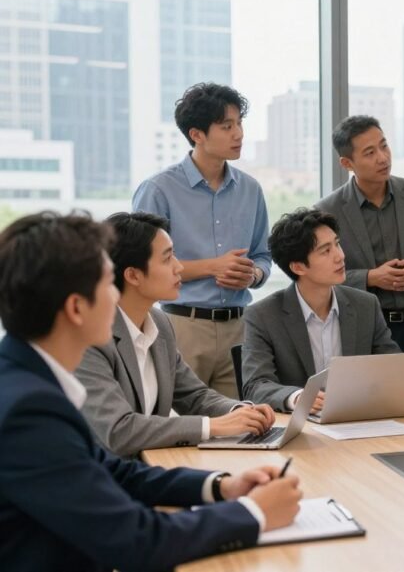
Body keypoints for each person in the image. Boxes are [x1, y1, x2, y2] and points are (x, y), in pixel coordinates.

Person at [0, 211, 301, 571]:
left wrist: (223, 486)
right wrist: (253, 513)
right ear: (76, 308)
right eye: (107, 283)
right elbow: (137, 540)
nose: (115, 296)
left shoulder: (29, 380)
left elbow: (116, 472)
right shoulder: (28, 410)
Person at [75, 212, 276, 458]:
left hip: (149, 467)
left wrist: (240, 410)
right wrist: (212, 426)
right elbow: (118, 430)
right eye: (168, 258)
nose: (179, 267)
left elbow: (193, 395)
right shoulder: (90, 339)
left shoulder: (159, 322)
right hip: (104, 479)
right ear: (133, 275)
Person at [133, 82, 272, 398]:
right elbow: (141, 266)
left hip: (240, 328)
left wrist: (254, 274)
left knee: (239, 427)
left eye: (239, 124)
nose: (238, 134)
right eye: (227, 126)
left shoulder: (251, 189)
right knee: (181, 430)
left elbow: (263, 254)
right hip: (182, 326)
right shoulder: (158, 190)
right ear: (197, 134)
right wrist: (213, 267)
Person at [315, 115, 404, 358]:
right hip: (361, 328)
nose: (383, 157)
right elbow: (320, 277)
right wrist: (371, 278)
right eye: (369, 152)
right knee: (368, 397)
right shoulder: (327, 211)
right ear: (347, 163)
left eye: (384, 145)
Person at [243, 207, 404, 412]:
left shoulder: (366, 305)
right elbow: (255, 385)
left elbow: (392, 367)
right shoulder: (262, 316)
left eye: (337, 244)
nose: (340, 256)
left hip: (357, 419)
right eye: (326, 251)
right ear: (298, 267)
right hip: (302, 428)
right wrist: (297, 397)